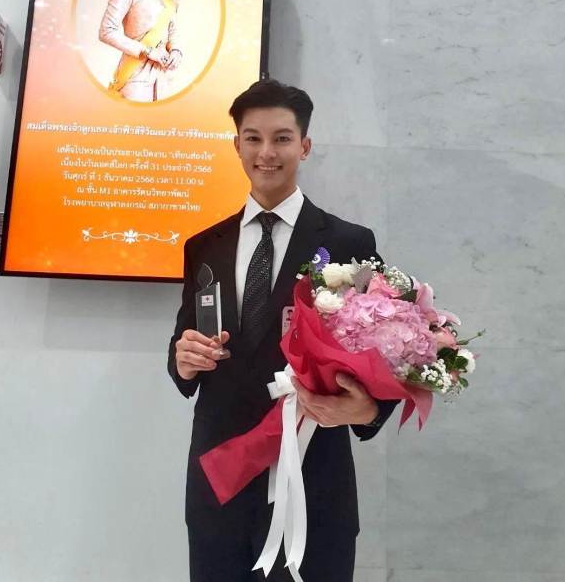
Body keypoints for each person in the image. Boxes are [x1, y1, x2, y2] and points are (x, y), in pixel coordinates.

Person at [168, 79, 397, 582]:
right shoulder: (204, 245)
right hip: (220, 477)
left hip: (312, 478)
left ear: (305, 146)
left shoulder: (349, 243)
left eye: (282, 139)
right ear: (237, 145)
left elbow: (389, 350)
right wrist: (183, 360)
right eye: (253, 138)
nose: (266, 153)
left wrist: (367, 410)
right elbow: (184, 343)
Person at [98, 0, 183, 102]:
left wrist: (176, 51)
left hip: (164, 73)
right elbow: (106, 32)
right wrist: (147, 51)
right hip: (135, 73)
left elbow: (172, 29)